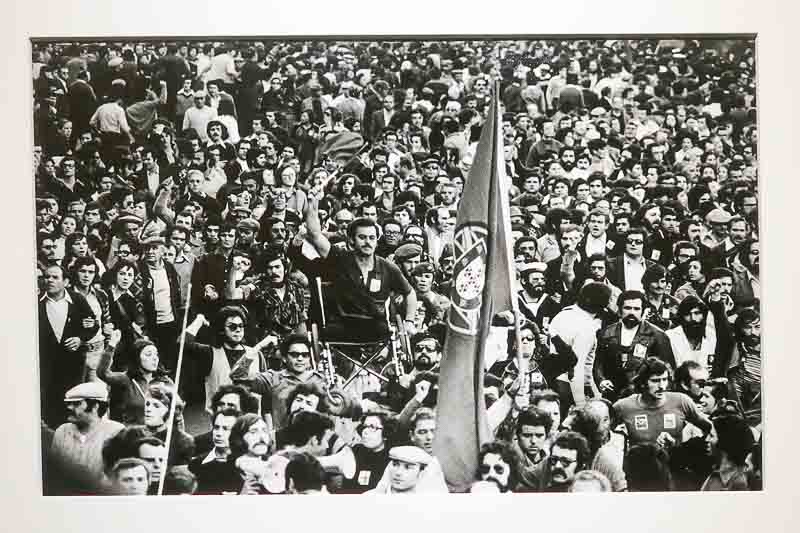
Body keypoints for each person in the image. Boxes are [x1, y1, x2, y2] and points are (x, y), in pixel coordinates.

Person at [39, 263, 100, 427]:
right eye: (46, 277)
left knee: (72, 402)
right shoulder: (37, 302)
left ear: (65, 282)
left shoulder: (77, 299)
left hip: (73, 364)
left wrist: (80, 339)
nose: (49, 280)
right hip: (47, 365)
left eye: (55, 277)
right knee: (50, 404)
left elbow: (93, 325)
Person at [613, 357, 712, 448]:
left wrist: (687, 447)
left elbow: (711, 428)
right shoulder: (624, 406)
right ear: (642, 383)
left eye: (664, 379)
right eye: (655, 381)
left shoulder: (681, 401)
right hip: (641, 461)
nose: (661, 386)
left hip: (673, 460)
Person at [595, 290, 676, 402]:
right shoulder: (606, 333)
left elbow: (669, 370)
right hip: (612, 396)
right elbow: (598, 363)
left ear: (643, 311)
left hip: (644, 398)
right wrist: (601, 380)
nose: (632, 312)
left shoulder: (658, 335)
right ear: (619, 310)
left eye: (636, 309)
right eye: (627, 308)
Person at [46, 382, 125, 495]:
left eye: (76, 403)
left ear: (95, 406)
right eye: (68, 404)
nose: (69, 407)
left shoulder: (116, 432)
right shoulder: (62, 431)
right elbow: (53, 473)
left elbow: (120, 476)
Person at [701, 414, 756, 491]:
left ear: (724, 442)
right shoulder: (719, 473)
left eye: (712, 436)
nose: (707, 439)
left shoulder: (738, 484)